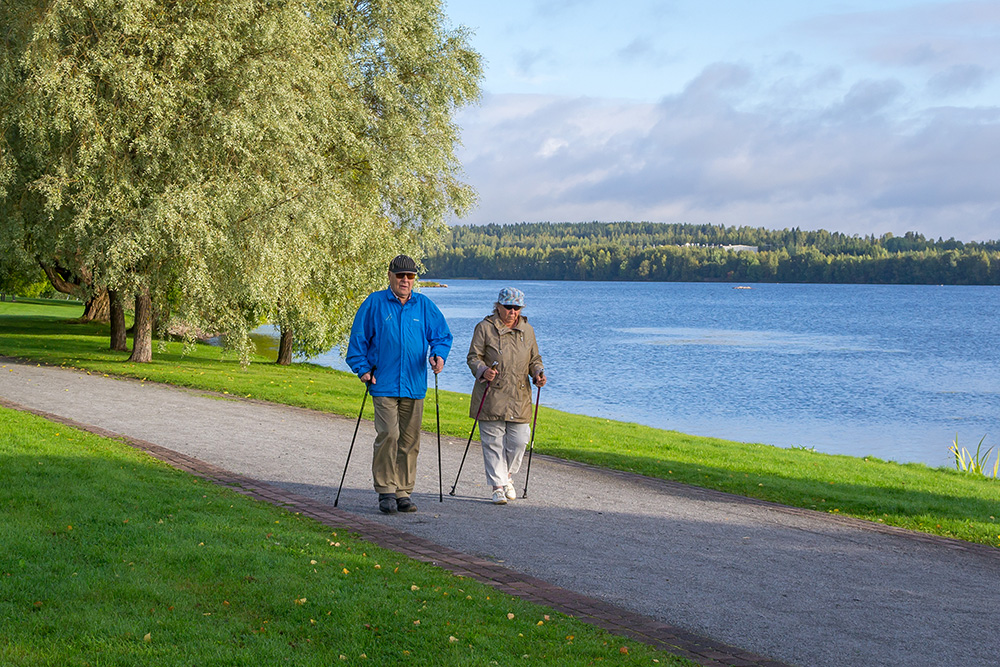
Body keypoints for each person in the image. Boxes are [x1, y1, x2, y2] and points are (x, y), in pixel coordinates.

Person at [346, 255, 452, 515]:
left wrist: (438, 355)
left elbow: (442, 336)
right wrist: (362, 370)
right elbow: (357, 340)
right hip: (382, 382)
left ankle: (403, 491)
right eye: (400, 276)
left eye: (410, 276)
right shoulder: (375, 303)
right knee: (388, 435)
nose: (405, 280)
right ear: (390, 276)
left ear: (415, 278)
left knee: (409, 439)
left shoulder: (424, 305)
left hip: (414, 384)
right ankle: (385, 491)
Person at [466, 287, 546, 505]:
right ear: (498, 306)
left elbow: (534, 359)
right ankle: (497, 487)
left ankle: (507, 477)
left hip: (519, 396)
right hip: (491, 394)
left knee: (519, 442)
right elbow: (473, 357)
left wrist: (538, 373)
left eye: (516, 308)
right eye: (508, 307)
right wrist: (483, 370)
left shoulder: (527, 330)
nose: (512, 312)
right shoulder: (484, 328)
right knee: (493, 443)